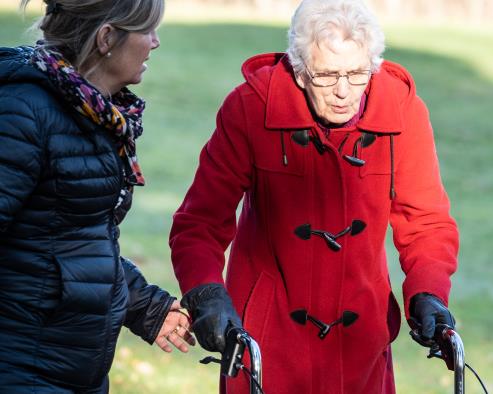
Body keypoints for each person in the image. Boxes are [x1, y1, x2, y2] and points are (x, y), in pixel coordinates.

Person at [170, 0, 459, 392]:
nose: (343, 92)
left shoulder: (403, 112)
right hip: (265, 345)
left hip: (361, 346)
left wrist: (429, 293)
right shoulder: (251, 107)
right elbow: (199, 222)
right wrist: (205, 292)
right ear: (300, 71)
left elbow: (425, 221)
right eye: (326, 75)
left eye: (357, 74)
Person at [0, 1, 196, 392]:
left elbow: (72, 240)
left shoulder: (91, 112)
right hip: (23, 370)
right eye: (147, 30)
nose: (155, 43)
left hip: (71, 371)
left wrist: (145, 306)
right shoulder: (23, 112)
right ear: (107, 38)